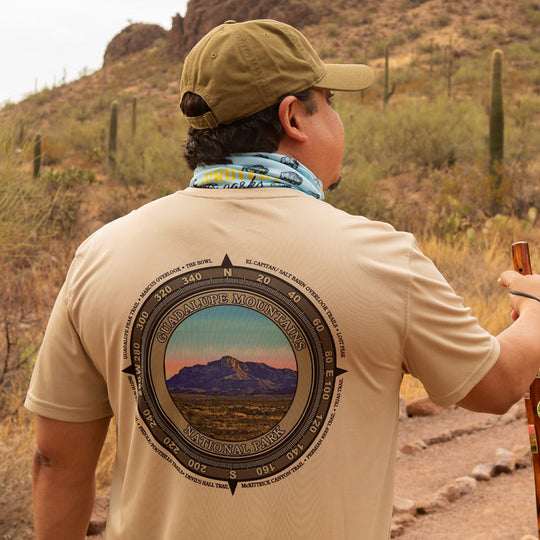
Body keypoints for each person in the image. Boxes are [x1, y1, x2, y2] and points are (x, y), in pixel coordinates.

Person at [25, 19, 540, 540]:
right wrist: (534, 316)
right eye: (331, 101)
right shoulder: (383, 258)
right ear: (293, 117)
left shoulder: (102, 254)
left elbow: (55, 462)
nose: (339, 119)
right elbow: (494, 386)